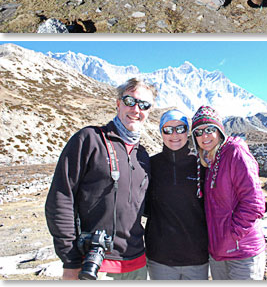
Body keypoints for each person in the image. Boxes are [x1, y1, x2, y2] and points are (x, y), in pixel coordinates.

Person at [45, 78, 158, 280]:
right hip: (95, 265)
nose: (136, 109)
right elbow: (61, 197)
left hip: (137, 264)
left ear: (149, 111)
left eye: (144, 105)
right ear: (118, 104)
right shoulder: (89, 139)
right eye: (130, 101)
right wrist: (70, 260)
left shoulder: (142, 155)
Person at [191, 106, 267, 280]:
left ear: (219, 131)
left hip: (243, 252)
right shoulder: (207, 161)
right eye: (198, 132)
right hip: (218, 253)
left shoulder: (235, 153)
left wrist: (233, 235)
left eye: (210, 129)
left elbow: (254, 203)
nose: (205, 136)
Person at [145, 109, 209, 280]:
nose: (174, 134)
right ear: (161, 132)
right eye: (168, 129)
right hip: (160, 259)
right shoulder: (151, 165)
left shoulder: (202, 165)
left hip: (197, 258)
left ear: (187, 132)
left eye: (180, 128)